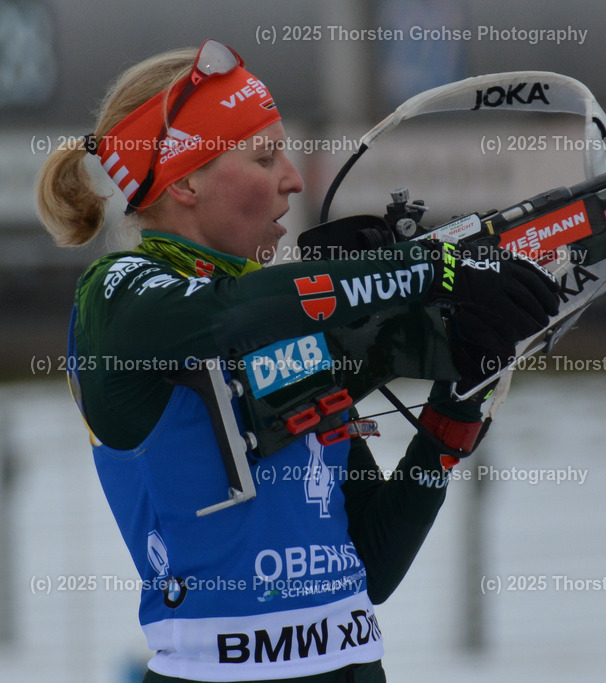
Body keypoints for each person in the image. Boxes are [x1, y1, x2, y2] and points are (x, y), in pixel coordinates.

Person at [35, 40, 559, 682]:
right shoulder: (119, 293)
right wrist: (429, 269)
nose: (293, 177)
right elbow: (225, 314)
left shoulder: (286, 322)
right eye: (263, 156)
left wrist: (459, 400)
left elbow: (370, 564)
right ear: (186, 181)